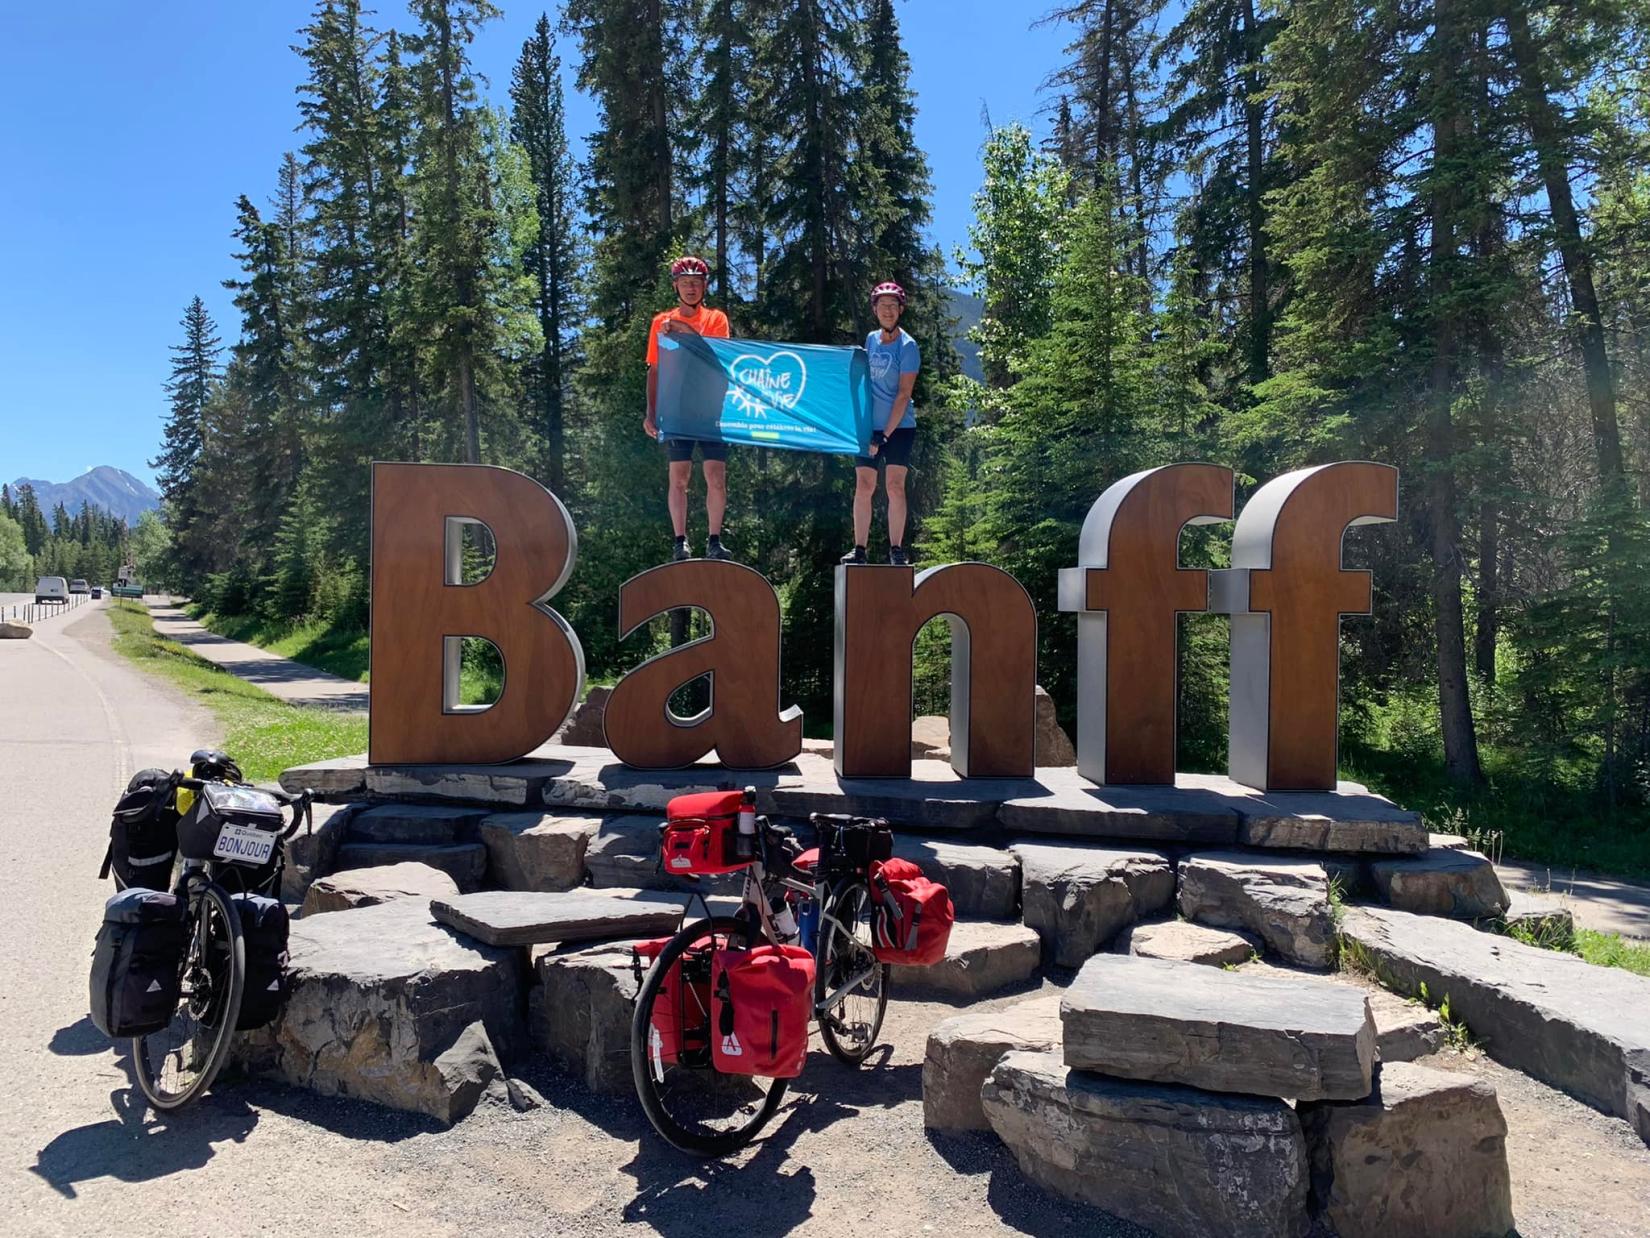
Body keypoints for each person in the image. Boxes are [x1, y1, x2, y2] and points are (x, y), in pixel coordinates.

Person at [645, 255, 733, 561]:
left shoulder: (716, 319)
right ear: (676, 287)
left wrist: (681, 327)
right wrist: (650, 411)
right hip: (677, 408)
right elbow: (654, 370)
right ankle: (680, 541)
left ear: (705, 286)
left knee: (715, 476)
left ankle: (714, 540)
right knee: (679, 477)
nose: (691, 288)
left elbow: (712, 353)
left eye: (696, 283)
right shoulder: (660, 322)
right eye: (685, 283)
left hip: (711, 408)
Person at [843, 281, 920, 566]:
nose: (887, 311)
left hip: (898, 428)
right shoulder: (871, 340)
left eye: (892, 305)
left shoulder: (908, 346)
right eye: (882, 306)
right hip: (868, 426)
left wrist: (884, 435)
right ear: (875, 310)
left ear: (900, 310)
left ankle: (896, 549)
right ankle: (859, 548)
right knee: (864, 484)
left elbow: (903, 395)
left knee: (895, 486)